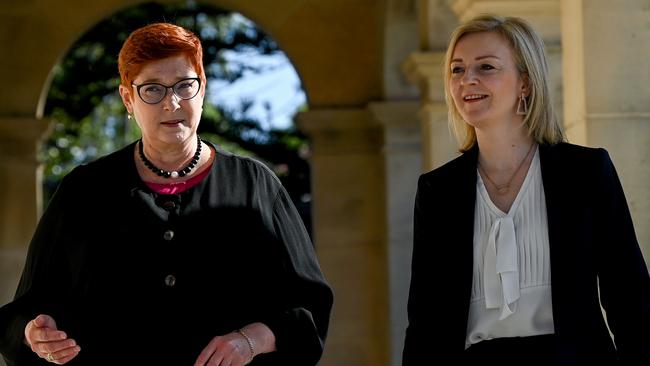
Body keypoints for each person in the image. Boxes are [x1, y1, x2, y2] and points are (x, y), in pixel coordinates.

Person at [0, 23, 333, 366]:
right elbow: (24, 310)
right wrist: (34, 334)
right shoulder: (83, 191)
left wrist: (250, 341)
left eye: (185, 86)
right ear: (128, 98)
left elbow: (308, 308)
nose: (172, 103)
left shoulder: (257, 186)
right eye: (153, 89)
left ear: (202, 90)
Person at [402, 14, 650, 365]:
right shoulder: (437, 191)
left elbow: (630, 298)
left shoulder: (586, 173)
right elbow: (426, 322)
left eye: (486, 67)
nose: (466, 80)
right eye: (457, 70)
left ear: (526, 83)